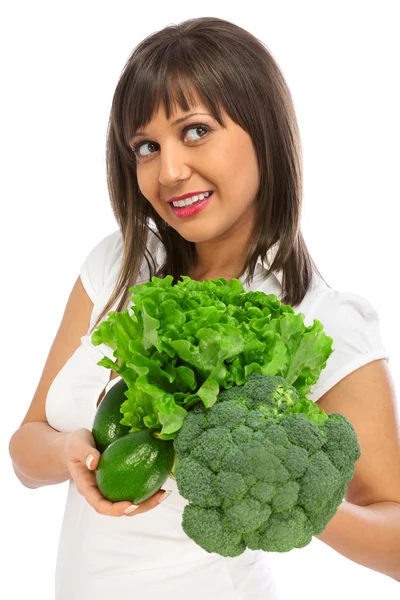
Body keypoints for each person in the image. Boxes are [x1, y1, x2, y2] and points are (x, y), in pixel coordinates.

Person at [8, 16, 400, 600]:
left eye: (195, 132)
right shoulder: (118, 265)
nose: (168, 172)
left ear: (264, 131)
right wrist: (72, 452)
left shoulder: (318, 319)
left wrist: (286, 492)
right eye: (146, 146)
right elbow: (25, 446)